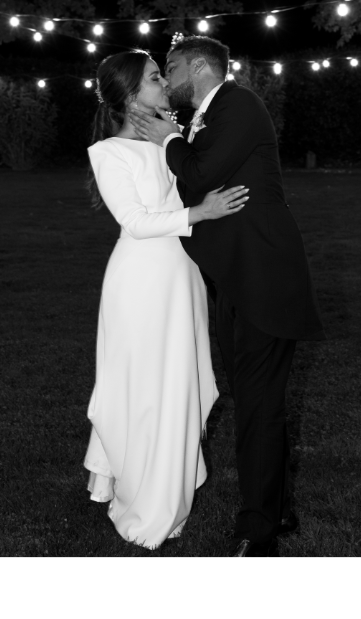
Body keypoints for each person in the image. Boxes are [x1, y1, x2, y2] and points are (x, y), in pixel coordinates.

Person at [127, 35, 325, 558]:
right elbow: (196, 190)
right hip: (235, 279)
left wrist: (170, 140)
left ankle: (258, 531)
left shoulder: (238, 104)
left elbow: (198, 174)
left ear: (198, 67)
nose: (167, 80)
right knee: (257, 401)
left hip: (264, 278)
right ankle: (278, 506)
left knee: (257, 406)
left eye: (169, 68)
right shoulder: (207, 118)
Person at [83, 51, 250, 550]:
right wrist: (201, 212)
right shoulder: (108, 153)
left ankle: (170, 486)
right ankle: (145, 502)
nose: (165, 84)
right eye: (157, 78)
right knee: (146, 394)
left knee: (180, 385)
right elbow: (135, 222)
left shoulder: (169, 142)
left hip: (182, 278)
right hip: (139, 284)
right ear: (132, 96)